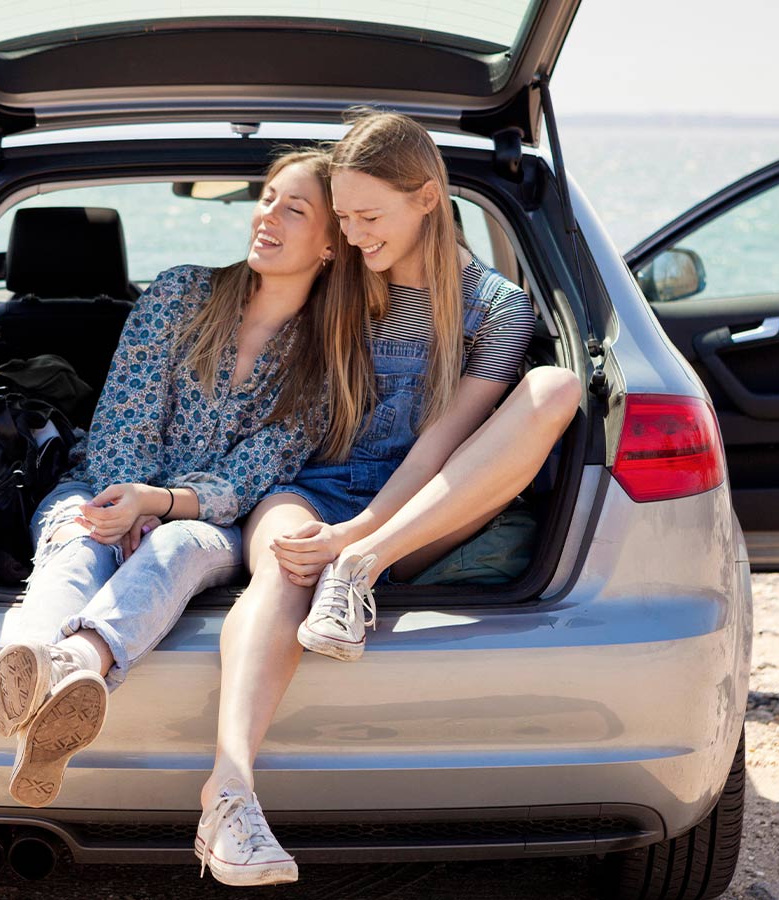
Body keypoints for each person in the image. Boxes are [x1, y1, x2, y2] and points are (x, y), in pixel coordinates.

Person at [195, 110, 583, 886]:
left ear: (429, 199)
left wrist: (364, 538)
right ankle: (228, 792)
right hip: (312, 481)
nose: (355, 234)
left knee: (556, 386)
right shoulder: (339, 280)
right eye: (342, 217)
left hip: (426, 504)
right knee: (281, 561)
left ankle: (361, 571)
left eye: (370, 216)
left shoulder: (496, 308)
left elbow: (445, 438)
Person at [0, 150, 364, 829]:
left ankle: (69, 663)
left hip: (208, 522)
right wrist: (126, 498)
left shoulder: (325, 362)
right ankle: (44, 666)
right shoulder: (181, 292)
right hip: (103, 480)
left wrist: (157, 506)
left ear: (332, 243)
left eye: (293, 207)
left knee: (179, 546)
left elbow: (254, 471)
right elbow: (125, 411)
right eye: (267, 197)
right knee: (77, 533)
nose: (267, 215)